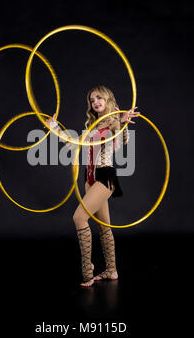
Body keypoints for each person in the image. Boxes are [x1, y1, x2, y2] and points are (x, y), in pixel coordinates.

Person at [45, 85, 140, 287]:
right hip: (89, 181)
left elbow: (122, 138)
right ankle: (112, 270)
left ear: (107, 99)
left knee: (79, 217)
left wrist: (123, 122)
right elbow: (73, 144)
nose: (95, 102)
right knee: (104, 226)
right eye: (91, 99)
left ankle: (87, 272)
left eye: (99, 98)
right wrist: (54, 127)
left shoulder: (115, 122)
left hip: (104, 178)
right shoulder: (92, 127)